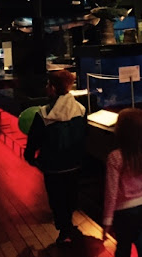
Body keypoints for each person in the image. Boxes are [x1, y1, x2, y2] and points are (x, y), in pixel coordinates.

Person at [23, 70, 87, 244]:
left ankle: (63, 227)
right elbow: (84, 136)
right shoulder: (80, 110)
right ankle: (68, 224)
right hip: (74, 163)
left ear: (52, 88)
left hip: (53, 166)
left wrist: (30, 157)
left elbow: (34, 140)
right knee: (71, 195)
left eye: (48, 84)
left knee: (56, 197)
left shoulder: (43, 114)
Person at [102, 108, 142, 257]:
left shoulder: (115, 157)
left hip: (124, 212)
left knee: (123, 248)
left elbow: (111, 192)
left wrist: (107, 221)